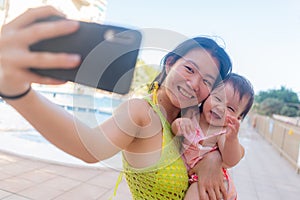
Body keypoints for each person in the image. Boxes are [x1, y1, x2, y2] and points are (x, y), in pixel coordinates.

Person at [0, 6, 234, 199]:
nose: (194, 84)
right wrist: (16, 91)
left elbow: (217, 151)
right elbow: (90, 146)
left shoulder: (198, 124)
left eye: (206, 81)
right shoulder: (142, 112)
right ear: (170, 63)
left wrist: (213, 159)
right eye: (189, 69)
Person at [171, 73, 254, 200]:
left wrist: (232, 140)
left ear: (238, 118)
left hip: (212, 182)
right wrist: (178, 125)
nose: (220, 107)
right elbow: (175, 132)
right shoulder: (191, 115)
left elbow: (231, 160)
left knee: (196, 192)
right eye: (218, 98)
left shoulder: (222, 133)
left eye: (230, 108)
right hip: (193, 175)